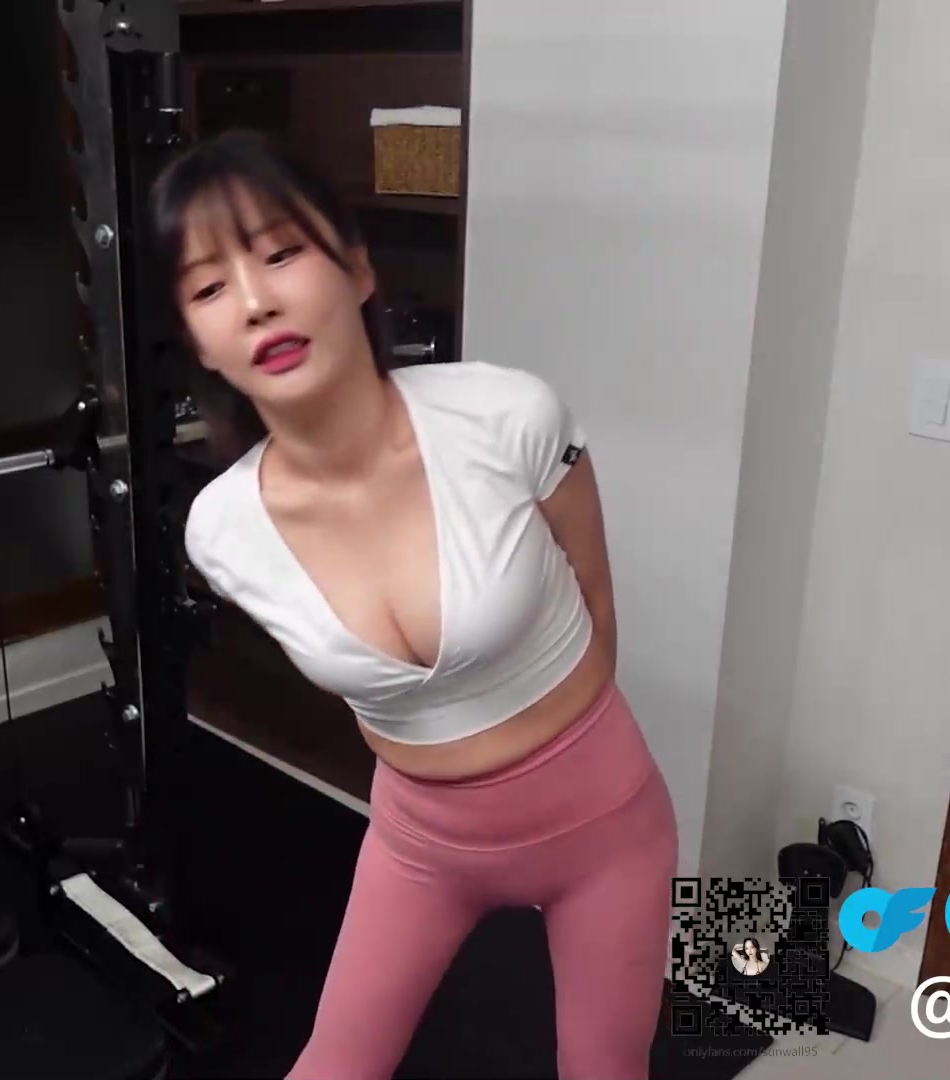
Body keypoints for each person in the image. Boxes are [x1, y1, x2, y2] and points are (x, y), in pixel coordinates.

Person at [161, 129, 679, 1080]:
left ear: (357, 268)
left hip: (604, 824)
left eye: (281, 252)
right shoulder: (221, 532)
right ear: (198, 341)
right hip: (422, 844)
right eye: (208, 288)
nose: (256, 300)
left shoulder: (509, 414)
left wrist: (561, 761)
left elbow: (598, 602)